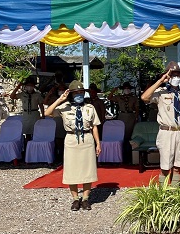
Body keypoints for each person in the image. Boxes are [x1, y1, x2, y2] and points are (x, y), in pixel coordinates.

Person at [45, 80, 101, 211]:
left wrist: (98, 143)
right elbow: (47, 113)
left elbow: (94, 127)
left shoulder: (90, 107)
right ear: (71, 94)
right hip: (71, 138)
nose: (79, 95)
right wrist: (60, 99)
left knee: (89, 169)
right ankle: (75, 199)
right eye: (76, 93)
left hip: (87, 138)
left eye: (81, 92)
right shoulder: (64, 107)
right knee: (72, 170)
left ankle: (86, 198)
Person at [141, 61, 180, 186]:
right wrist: (160, 81)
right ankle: (163, 193)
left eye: (178, 75)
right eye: (173, 75)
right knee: (165, 166)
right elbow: (144, 97)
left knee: (178, 166)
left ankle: (174, 192)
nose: (176, 78)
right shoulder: (161, 92)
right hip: (166, 131)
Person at [109, 82, 139, 162]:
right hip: (121, 116)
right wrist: (113, 90)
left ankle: (129, 154)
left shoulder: (134, 98)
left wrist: (136, 117)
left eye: (128, 88)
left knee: (129, 135)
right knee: (121, 135)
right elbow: (109, 98)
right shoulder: (119, 97)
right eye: (125, 88)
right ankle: (121, 153)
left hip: (130, 116)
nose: (127, 90)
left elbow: (136, 109)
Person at [10, 77, 44, 142]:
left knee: (35, 132)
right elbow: (12, 96)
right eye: (28, 85)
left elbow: (41, 105)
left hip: (34, 114)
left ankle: (33, 147)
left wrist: (43, 115)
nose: (30, 87)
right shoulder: (22, 94)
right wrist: (18, 87)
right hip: (26, 114)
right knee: (27, 133)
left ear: (34, 86)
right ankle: (27, 148)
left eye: (31, 85)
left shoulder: (37, 95)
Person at [44, 82, 69, 162]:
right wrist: (50, 93)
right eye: (59, 89)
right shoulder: (54, 98)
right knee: (58, 138)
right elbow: (45, 103)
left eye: (63, 89)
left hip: (67, 120)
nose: (61, 91)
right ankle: (59, 155)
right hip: (57, 119)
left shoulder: (69, 99)